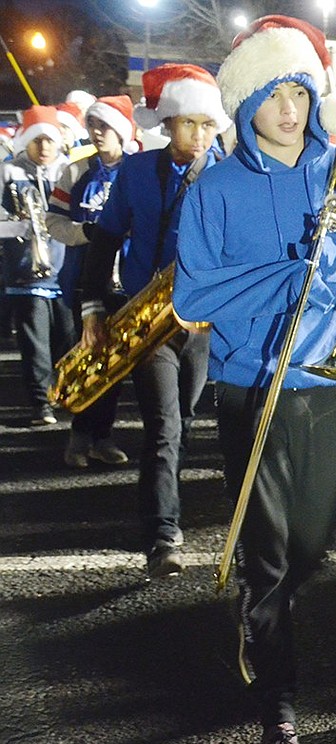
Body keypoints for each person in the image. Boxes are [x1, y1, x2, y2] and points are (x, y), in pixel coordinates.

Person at [173, 15, 336, 744]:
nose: (287, 108)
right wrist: (293, 278)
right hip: (252, 387)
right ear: (246, 104)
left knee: (313, 543)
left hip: (329, 385)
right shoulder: (215, 187)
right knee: (270, 556)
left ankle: (264, 602)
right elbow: (195, 295)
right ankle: (279, 707)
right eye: (271, 94)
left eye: (298, 91)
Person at [79, 63, 230, 579]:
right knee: (164, 427)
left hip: (202, 325)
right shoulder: (136, 171)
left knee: (183, 423)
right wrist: (93, 308)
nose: (200, 136)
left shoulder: (228, 173)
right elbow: (103, 241)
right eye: (189, 123)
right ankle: (162, 532)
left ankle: (165, 501)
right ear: (166, 122)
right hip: (148, 319)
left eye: (209, 126)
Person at [46, 95, 139, 468]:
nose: (98, 133)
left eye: (105, 126)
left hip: (128, 282)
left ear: (122, 130)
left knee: (114, 364)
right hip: (84, 281)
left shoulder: (139, 171)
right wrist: (88, 232)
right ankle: (78, 436)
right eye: (93, 126)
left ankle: (102, 436)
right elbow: (53, 222)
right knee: (85, 358)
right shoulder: (75, 171)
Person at [0, 106, 73, 426]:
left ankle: (69, 394)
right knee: (35, 345)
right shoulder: (8, 172)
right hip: (26, 274)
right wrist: (23, 228)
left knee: (68, 340)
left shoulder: (70, 172)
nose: (44, 147)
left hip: (66, 271)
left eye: (49, 140)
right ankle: (41, 403)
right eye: (37, 140)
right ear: (26, 142)